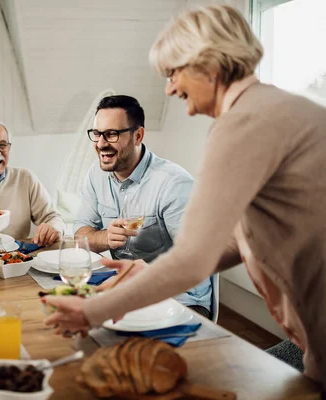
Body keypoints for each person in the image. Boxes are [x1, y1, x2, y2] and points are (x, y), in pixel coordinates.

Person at [43, 4, 326, 390]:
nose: (170, 88)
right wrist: (147, 271)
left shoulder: (241, 125)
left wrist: (92, 311)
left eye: (174, 71)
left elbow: (194, 260)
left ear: (208, 64)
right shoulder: (275, 108)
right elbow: (235, 240)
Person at [74, 95, 212, 318]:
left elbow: (196, 261)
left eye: (112, 134)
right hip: (128, 292)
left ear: (138, 136)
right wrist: (106, 237)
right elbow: (80, 237)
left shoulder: (174, 183)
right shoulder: (96, 174)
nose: (101, 144)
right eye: (97, 134)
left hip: (179, 299)